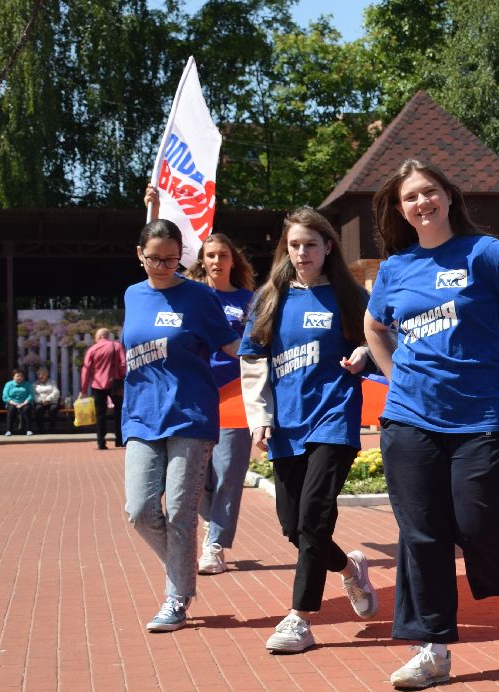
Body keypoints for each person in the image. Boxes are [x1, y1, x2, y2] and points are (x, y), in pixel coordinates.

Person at [362, 161, 499, 689]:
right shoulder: (395, 268)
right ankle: (432, 650)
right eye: (410, 197)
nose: (421, 203)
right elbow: (375, 326)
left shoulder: (487, 254)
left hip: (480, 415)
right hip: (409, 418)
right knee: (421, 533)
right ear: (400, 209)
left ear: (449, 196)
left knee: (479, 522)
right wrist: (395, 376)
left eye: (429, 192)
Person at [240, 207, 380, 655]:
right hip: (285, 425)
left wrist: (364, 353)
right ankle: (350, 570)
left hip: (334, 418)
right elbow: (253, 360)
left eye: (311, 245)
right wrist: (259, 417)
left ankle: (299, 618)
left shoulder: (349, 296)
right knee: (294, 527)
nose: (302, 253)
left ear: (328, 247)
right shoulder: (270, 299)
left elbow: (382, 340)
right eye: (295, 246)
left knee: (315, 515)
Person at [121, 219, 241, 632]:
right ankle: (183, 566)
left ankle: (176, 598)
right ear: (139, 254)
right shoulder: (132, 295)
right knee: (139, 510)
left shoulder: (200, 297)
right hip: (141, 416)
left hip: (190, 415)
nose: (162, 266)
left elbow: (231, 344)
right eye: (154, 258)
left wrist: (273, 342)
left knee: (179, 511)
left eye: (171, 259)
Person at [188, 233, 258, 576]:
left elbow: (259, 342)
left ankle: (215, 545)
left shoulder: (248, 300)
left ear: (233, 260)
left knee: (229, 471)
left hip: (236, 395)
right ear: (203, 260)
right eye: (211, 255)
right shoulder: (192, 296)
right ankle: (212, 522)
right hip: (197, 395)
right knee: (197, 474)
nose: (217, 261)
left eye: (223, 255)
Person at [80, 327, 126, 451]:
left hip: (98, 385)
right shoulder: (116, 346)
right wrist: (121, 376)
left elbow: (86, 370)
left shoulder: (92, 349)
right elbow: (123, 364)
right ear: (107, 336)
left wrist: (83, 390)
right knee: (119, 413)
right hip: (115, 384)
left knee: (100, 414)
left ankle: (101, 442)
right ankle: (120, 440)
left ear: (99, 337)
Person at [1, 369, 35, 436]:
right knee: (11, 409)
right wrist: (15, 403)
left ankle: (29, 430)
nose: (19, 377)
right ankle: (9, 430)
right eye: (17, 376)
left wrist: (24, 403)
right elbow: (5, 396)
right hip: (12, 403)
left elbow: (31, 395)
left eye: (21, 376)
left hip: (25, 403)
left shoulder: (28, 384)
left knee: (26, 409)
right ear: (13, 377)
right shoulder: (8, 384)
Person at [31, 368, 62, 434]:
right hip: (40, 402)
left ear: (47, 375)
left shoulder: (52, 382)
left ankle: (52, 429)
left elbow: (56, 392)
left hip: (51, 401)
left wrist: (48, 399)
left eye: (43, 374)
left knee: (53, 408)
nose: (41, 376)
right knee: (38, 409)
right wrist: (42, 400)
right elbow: (34, 395)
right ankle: (41, 429)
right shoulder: (34, 384)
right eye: (39, 374)